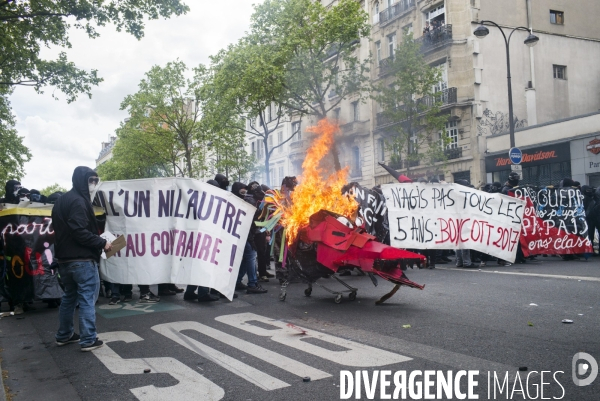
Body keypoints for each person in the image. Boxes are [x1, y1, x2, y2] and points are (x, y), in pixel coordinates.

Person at [52, 166, 109, 351]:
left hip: (64, 260)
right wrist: (101, 243)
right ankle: (88, 339)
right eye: (90, 180)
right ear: (81, 181)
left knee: (69, 297)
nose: (93, 184)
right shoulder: (79, 202)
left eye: (95, 180)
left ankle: (64, 334)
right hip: (82, 259)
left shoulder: (61, 201)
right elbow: (79, 231)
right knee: (86, 298)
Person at [232, 182, 267, 294]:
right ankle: (252, 283)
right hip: (246, 235)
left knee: (247, 258)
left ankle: (237, 281)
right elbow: (249, 223)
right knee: (251, 256)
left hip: (246, 235)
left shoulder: (250, 201)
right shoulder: (251, 203)